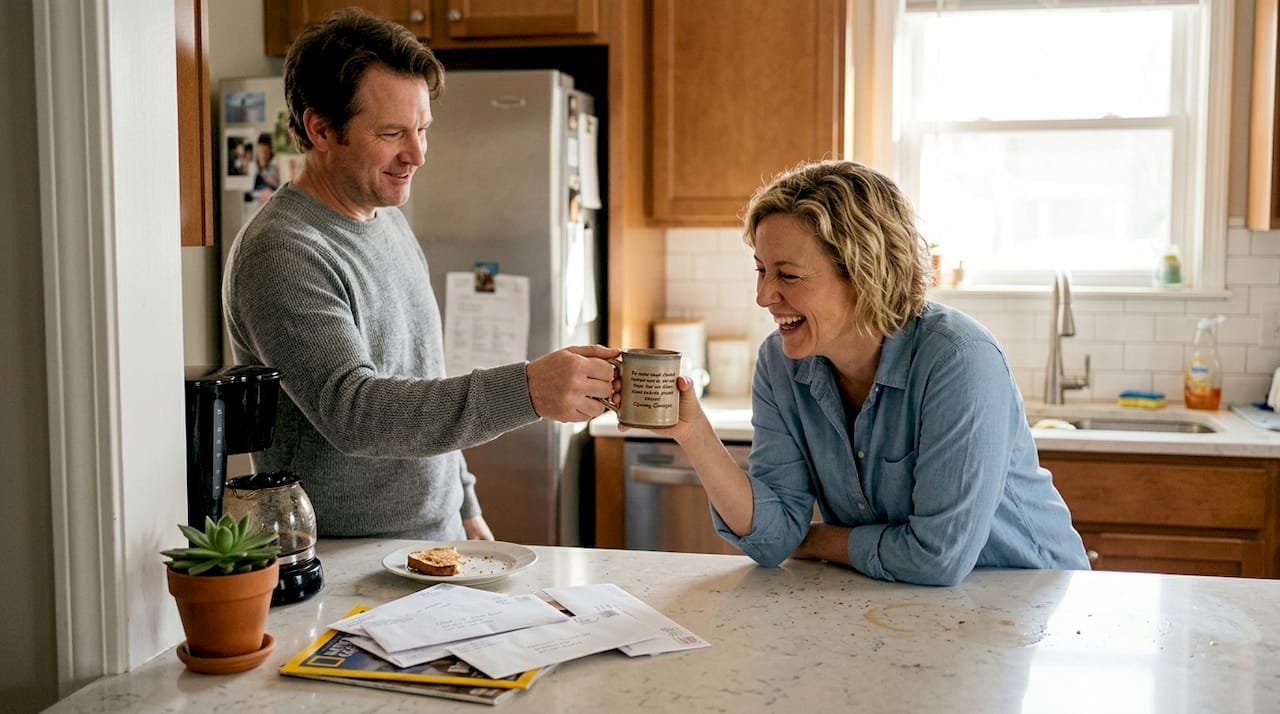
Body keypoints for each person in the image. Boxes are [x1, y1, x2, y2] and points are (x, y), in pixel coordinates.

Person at [222, 9, 618, 541]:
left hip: (434, 539)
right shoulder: (282, 251)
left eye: (422, 129)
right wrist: (527, 389)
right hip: (344, 560)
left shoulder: (387, 219)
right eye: (391, 133)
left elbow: (420, 373)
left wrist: (464, 502)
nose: (417, 154)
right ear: (320, 128)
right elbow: (356, 412)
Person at [654, 160, 1089, 586]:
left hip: (1033, 601)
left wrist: (818, 540)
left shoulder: (959, 359)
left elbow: (936, 558)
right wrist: (694, 434)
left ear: (864, 275)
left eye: (787, 274)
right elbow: (773, 540)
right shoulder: (781, 363)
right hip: (908, 607)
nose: (764, 295)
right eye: (761, 270)